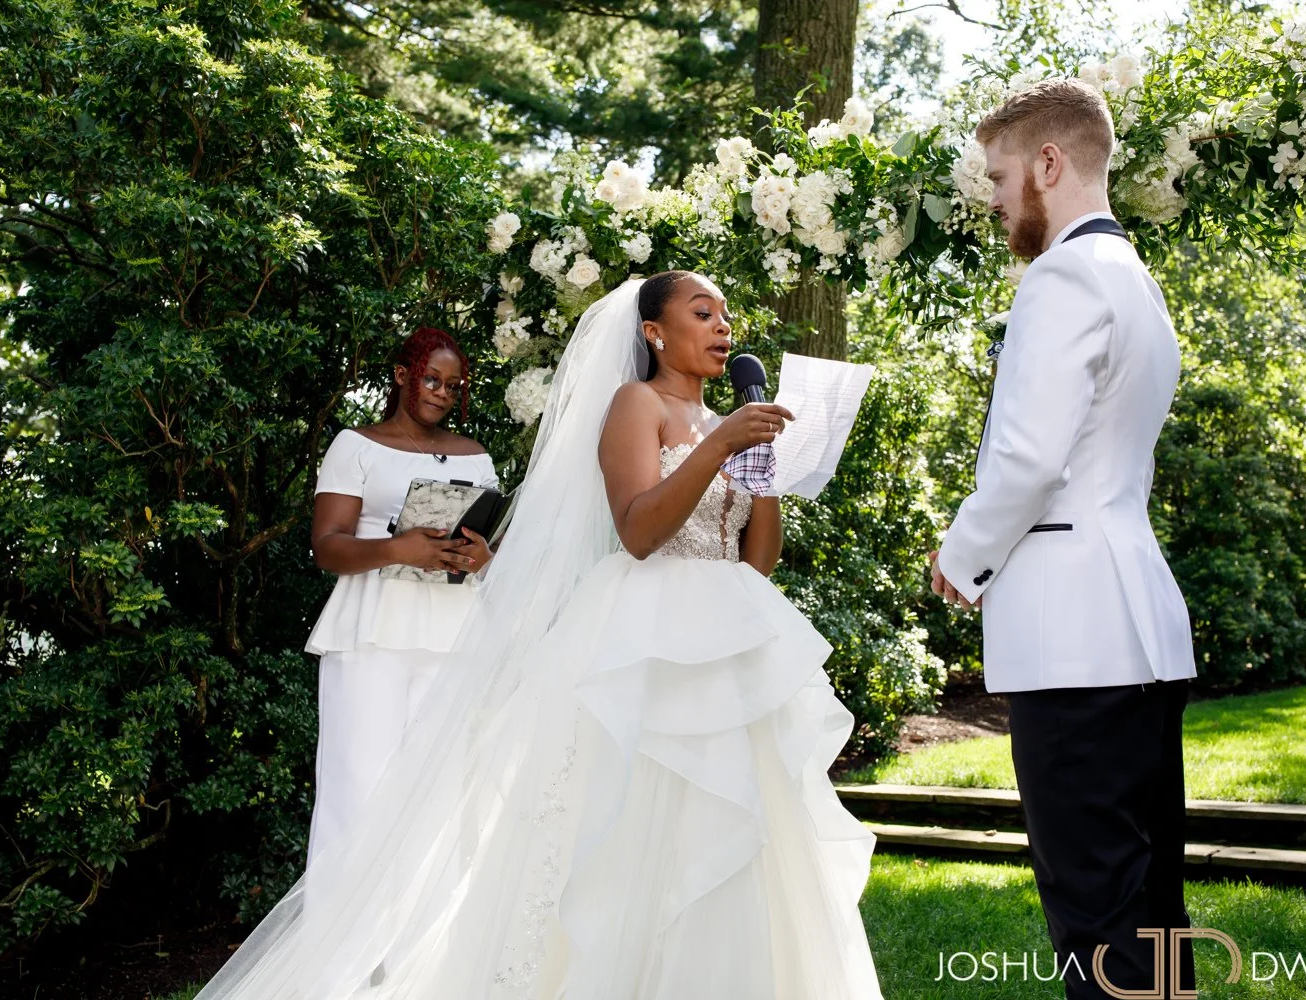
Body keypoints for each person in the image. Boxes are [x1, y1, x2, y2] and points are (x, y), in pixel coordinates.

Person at [195, 274, 883, 1000]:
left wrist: (760, 463)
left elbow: (758, 560)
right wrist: (719, 451)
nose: (723, 328)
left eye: (727, 315)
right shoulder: (634, 404)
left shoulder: (731, 422)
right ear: (654, 331)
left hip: (731, 634)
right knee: (636, 820)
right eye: (703, 312)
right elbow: (640, 530)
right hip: (649, 633)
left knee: (743, 820)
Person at [929, 79, 1198, 999]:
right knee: (1153, 909)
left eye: (1001, 175)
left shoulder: (1063, 276)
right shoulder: (1136, 278)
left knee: (1097, 919)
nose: (996, 198)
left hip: (1072, 641)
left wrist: (961, 557)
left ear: (1050, 162)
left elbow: (1028, 458)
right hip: (1140, 630)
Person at [305, 325, 498, 866]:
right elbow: (327, 547)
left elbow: (490, 546)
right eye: (431, 379)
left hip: (455, 632)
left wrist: (484, 557)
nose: (440, 391)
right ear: (401, 376)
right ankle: (345, 944)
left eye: (452, 385)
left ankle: (428, 948)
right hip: (372, 630)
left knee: (442, 790)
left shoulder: (474, 457)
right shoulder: (356, 445)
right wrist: (398, 549)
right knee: (360, 788)